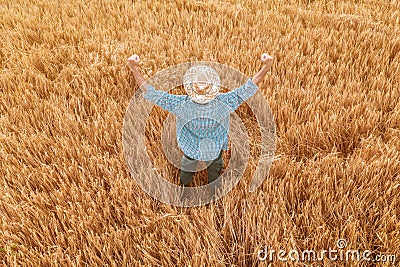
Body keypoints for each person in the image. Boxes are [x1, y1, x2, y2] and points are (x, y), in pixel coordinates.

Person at [127, 54, 273, 199]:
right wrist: (265, 68)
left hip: (190, 148)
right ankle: (213, 192)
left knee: (187, 168)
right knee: (215, 170)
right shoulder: (225, 101)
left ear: (191, 88)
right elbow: (249, 87)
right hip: (214, 149)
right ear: (214, 87)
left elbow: (151, 93)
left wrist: (134, 69)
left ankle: (184, 189)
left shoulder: (181, 104)